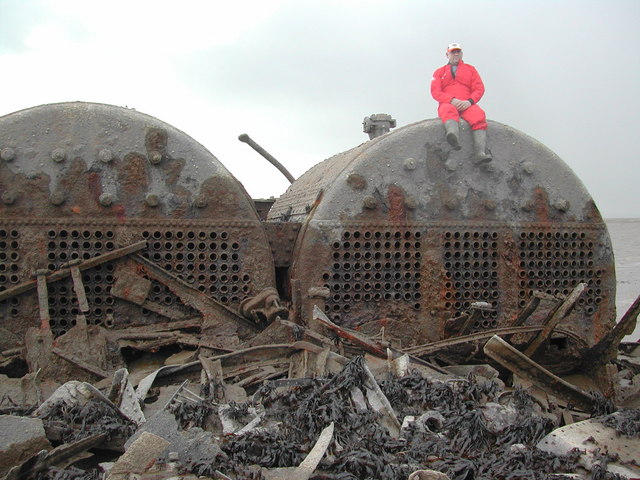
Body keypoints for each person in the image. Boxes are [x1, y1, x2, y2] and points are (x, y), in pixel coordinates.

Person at [431, 43, 492, 164]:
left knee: (478, 115)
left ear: (462, 54)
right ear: (447, 54)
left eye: (458, 52)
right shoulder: (439, 72)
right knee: (448, 111)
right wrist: (451, 100)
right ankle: (453, 136)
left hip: (466, 103)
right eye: (453, 52)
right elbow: (435, 91)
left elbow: (479, 88)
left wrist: (469, 102)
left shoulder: (471, 70)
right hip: (448, 102)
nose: (456, 54)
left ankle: (480, 153)